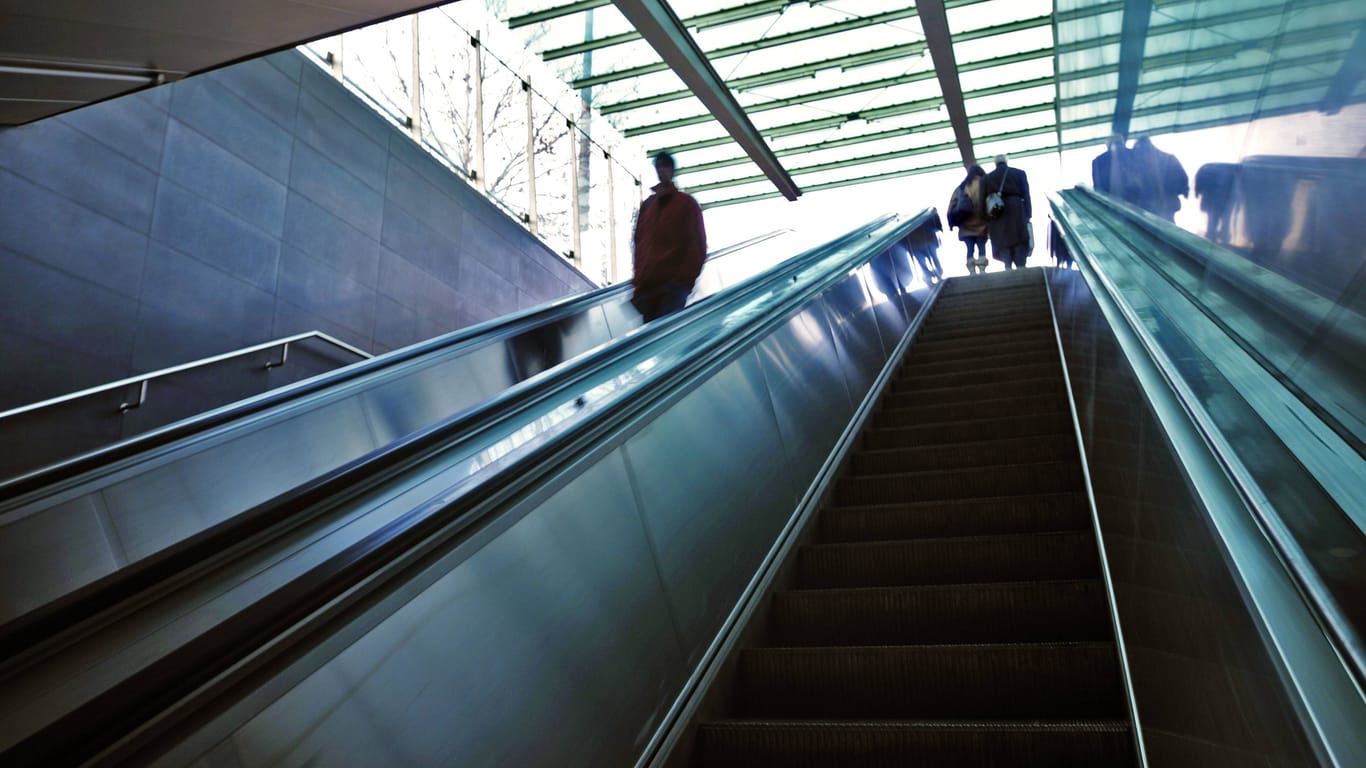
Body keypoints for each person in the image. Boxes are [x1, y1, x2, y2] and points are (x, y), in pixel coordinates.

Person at [631, 150, 707, 322]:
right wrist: (639, 280)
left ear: (672, 171)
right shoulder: (648, 206)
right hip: (648, 287)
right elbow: (639, 243)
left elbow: (698, 243)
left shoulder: (686, 204)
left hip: (673, 285)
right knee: (653, 340)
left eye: (665, 167)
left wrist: (684, 278)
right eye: (659, 167)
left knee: (663, 334)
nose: (661, 171)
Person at [984, 154, 1032, 269]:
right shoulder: (1019, 173)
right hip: (1017, 209)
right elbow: (1026, 194)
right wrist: (1028, 214)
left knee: (1002, 239)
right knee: (1019, 237)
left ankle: (1007, 265)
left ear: (995, 163)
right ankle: (1021, 265)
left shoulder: (987, 178)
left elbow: (984, 200)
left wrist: (987, 220)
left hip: (997, 211)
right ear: (1006, 162)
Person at [1130, 136, 1188, 221]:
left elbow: (1131, 185)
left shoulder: (1135, 161)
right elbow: (1183, 181)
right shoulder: (1169, 158)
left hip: (1144, 205)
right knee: (1167, 228)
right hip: (1168, 205)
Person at [948, 165, 989, 275]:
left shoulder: (961, 187)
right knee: (981, 247)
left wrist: (951, 223)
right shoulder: (984, 184)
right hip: (981, 222)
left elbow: (952, 205)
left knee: (970, 249)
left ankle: (972, 270)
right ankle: (982, 269)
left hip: (965, 224)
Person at [1091, 133, 1129, 197]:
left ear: (1107, 144)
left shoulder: (1098, 161)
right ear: (1123, 142)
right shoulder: (1134, 154)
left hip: (1108, 197)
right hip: (1133, 198)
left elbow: (1097, 186)